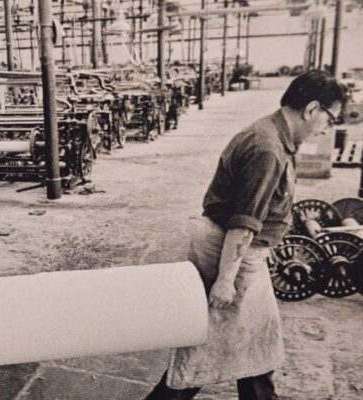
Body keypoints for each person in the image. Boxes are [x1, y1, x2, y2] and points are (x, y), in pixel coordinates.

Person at [143, 70, 346, 400]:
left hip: (241, 251)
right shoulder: (267, 148)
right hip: (228, 250)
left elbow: (265, 207)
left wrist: (281, 234)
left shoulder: (275, 136)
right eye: (330, 118)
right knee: (209, 347)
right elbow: (243, 222)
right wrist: (225, 279)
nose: (328, 127)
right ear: (312, 109)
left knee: (253, 345)